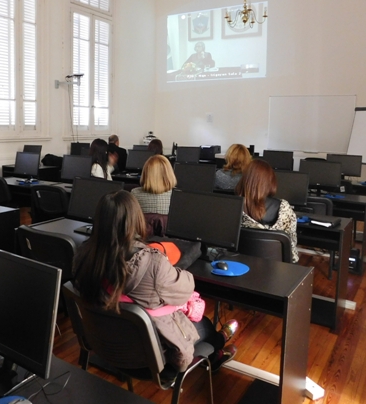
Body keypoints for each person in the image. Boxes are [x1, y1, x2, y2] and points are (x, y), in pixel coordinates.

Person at [73, 190, 238, 373]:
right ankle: (219, 344)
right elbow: (185, 288)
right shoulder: (152, 264)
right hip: (151, 359)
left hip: (105, 346)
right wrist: (170, 268)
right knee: (205, 326)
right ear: (136, 220)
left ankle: (216, 354)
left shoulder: (83, 255)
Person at [236, 159, 299, 263]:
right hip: (278, 270)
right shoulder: (284, 209)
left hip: (240, 265)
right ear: (270, 181)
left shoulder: (232, 207)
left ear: (244, 179)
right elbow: (291, 244)